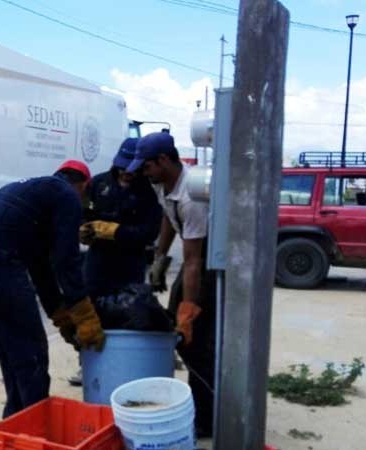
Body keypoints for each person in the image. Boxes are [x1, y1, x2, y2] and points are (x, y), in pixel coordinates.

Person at [0, 160, 106, 418]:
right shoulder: (67, 195)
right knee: (31, 355)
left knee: (12, 353)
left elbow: (41, 268)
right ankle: (36, 428)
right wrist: (83, 313)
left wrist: (59, 315)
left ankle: (15, 421)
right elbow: (66, 260)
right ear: (83, 186)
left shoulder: (36, 195)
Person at [127, 132, 216, 438]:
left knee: (196, 341)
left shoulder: (193, 197)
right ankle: (199, 406)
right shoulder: (164, 185)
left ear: (164, 160)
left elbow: (193, 261)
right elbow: (168, 218)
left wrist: (188, 312)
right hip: (195, 261)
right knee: (181, 333)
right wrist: (160, 257)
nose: (144, 172)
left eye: (147, 166)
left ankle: (207, 420)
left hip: (211, 264)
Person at [80, 137, 164, 295]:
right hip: (97, 261)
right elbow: (82, 213)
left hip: (130, 263)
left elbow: (150, 233)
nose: (126, 172)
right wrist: (83, 230)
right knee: (93, 308)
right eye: (122, 167)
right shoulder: (98, 183)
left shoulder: (150, 192)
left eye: (131, 168)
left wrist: (116, 231)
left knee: (129, 311)